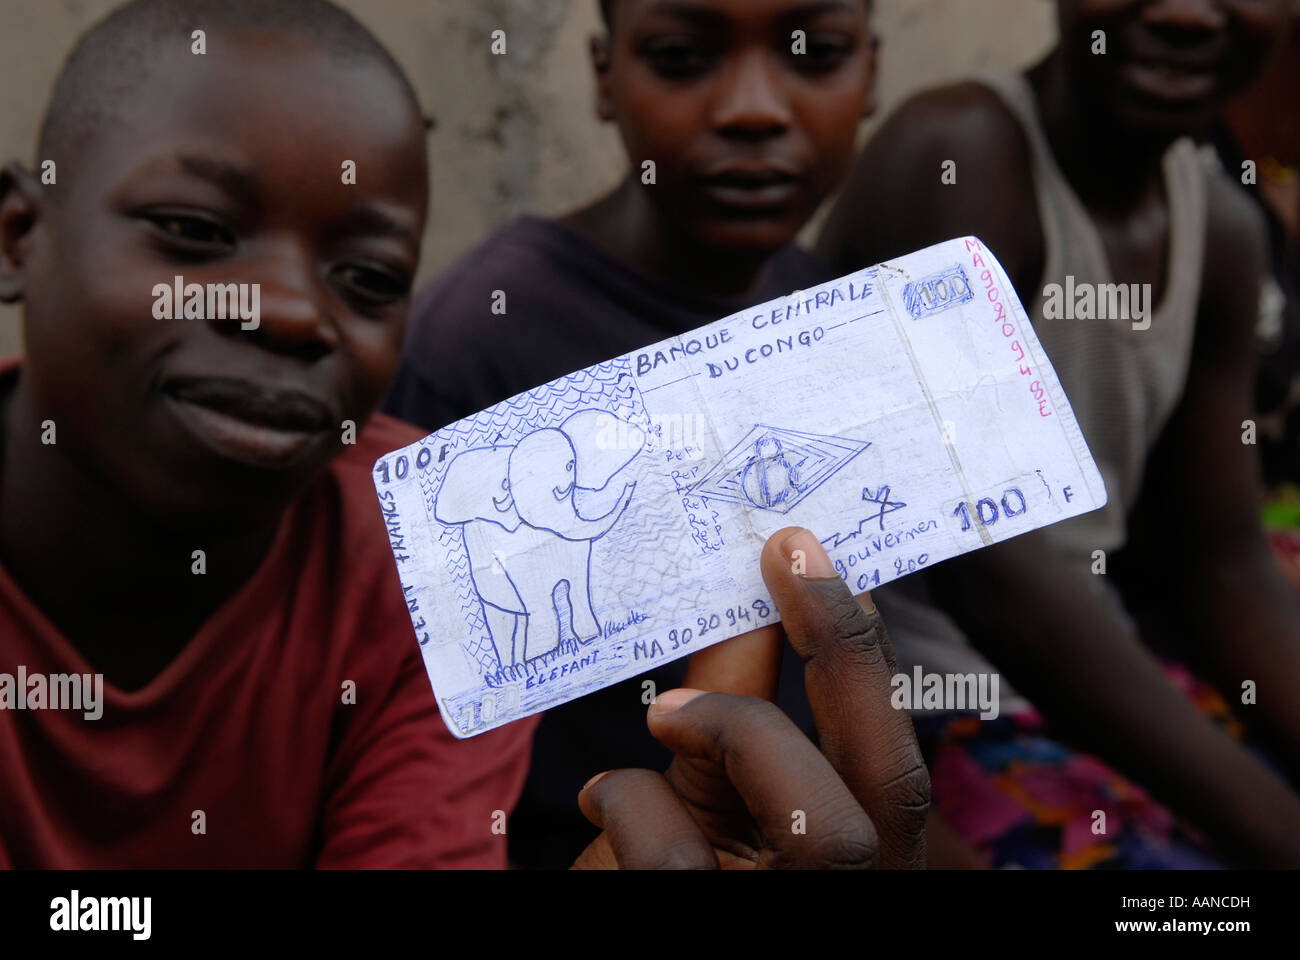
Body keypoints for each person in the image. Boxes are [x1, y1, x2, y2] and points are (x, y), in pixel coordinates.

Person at [0, 0, 538, 868]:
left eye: (367, 277)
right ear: (20, 236)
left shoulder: (447, 551)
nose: (289, 311)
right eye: (196, 233)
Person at [383, 0, 889, 868]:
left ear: (872, 73)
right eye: (682, 55)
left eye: (816, 54)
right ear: (603, 76)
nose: (754, 107)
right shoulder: (477, 339)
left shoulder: (830, 311)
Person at [816, 0, 1300, 867]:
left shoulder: (1221, 229)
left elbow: (1221, 561)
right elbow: (988, 569)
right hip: (932, 705)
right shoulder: (962, 157)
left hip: (1092, 676)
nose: (1189, 14)